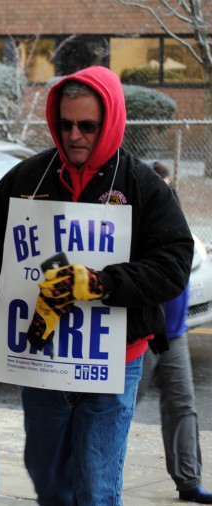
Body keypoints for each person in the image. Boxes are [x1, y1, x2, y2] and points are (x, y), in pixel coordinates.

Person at [0, 66, 194, 505]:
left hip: (112, 361)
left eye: (87, 126)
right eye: (65, 124)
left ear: (109, 124)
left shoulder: (143, 187)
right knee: (48, 481)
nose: (74, 135)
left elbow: (173, 264)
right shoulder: (27, 177)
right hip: (39, 358)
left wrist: (102, 282)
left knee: (95, 487)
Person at [137, 161, 212, 504]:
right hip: (141, 334)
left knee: (183, 405)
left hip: (175, 334)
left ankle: (189, 482)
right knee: (118, 409)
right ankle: (100, 483)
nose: (165, 193)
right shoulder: (139, 228)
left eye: (168, 187)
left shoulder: (176, 221)